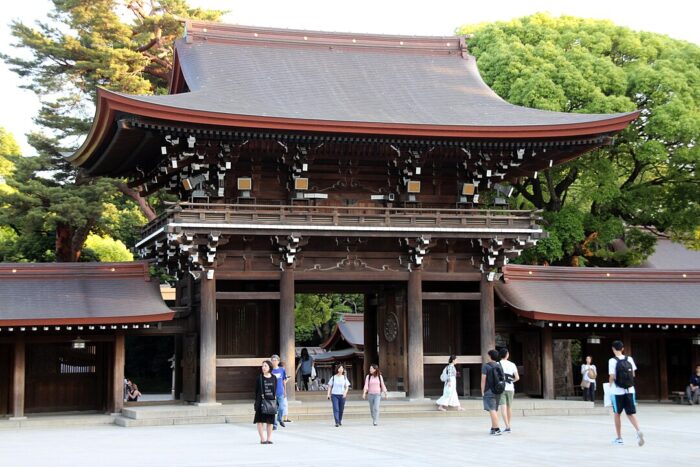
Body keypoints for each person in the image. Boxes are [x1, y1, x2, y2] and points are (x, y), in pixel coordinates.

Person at [609, 340, 644, 446]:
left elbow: (612, 376)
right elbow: (633, 374)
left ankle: (619, 438)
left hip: (617, 391)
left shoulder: (612, 360)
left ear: (613, 349)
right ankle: (638, 431)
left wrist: (610, 386)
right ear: (623, 348)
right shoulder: (629, 359)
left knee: (617, 413)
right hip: (630, 390)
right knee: (630, 413)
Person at [254, 360, 278, 444]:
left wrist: (276, 401)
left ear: (269, 367)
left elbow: (275, 390)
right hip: (261, 402)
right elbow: (256, 391)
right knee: (260, 420)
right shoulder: (259, 378)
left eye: (265, 366)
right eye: (262, 366)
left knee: (270, 421)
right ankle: (262, 439)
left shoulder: (274, 377)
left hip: (271, 402)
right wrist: (256, 403)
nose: (263, 367)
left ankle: (269, 438)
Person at [481, 349, 503, 436]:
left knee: (492, 409)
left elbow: (483, 380)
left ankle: (497, 429)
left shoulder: (486, 366)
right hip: (498, 390)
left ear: (490, 356)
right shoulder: (499, 365)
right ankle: (493, 428)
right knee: (494, 409)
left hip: (489, 390)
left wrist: (482, 391)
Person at [498, 348, 520, 433]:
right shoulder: (512, 364)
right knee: (509, 407)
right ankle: (508, 425)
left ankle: (507, 426)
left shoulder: (497, 364)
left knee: (503, 408)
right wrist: (511, 381)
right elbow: (517, 378)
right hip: (510, 388)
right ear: (507, 355)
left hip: (501, 388)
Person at [270, 355, 287, 429]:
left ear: (278, 361)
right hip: (272, 392)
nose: (274, 361)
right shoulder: (270, 370)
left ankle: (279, 418)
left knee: (281, 408)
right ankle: (274, 424)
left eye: (275, 360)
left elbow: (284, 381)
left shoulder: (282, 370)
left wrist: (285, 391)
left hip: (280, 391)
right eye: (272, 360)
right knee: (273, 409)